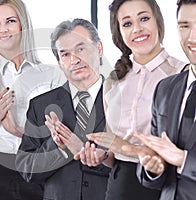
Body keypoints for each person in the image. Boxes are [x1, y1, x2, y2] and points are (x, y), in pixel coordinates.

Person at [76, 0, 187, 200]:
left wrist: (129, 149)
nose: (137, 28)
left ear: (158, 22)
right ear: (119, 32)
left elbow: (186, 153)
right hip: (120, 187)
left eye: (144, 18)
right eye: (127, 24)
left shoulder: (183, 74)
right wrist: (99, 156)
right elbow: (113, 151)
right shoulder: (112, 82)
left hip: (167, 186)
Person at [0, 0, 65, 199]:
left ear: (22, 25)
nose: (3, 29)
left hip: (37, 175)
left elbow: (60, 138)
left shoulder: (51, 76)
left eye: (10, 21)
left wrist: (20, 132)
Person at [16, 18, 111, 200]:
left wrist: (83, 150)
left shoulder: (122, 99)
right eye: (65, 54)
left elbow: (133, 167)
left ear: (99, 48)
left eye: (80, 49)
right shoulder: (41, 105)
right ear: (59, 62)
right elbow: (26, 169)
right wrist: (60, 148)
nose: (74, 60)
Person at [123, 0, 196, 199]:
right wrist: (152, 167)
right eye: (185, 26)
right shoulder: (166, 89)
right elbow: (153, 174)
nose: (193, 37)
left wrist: (183, 160)